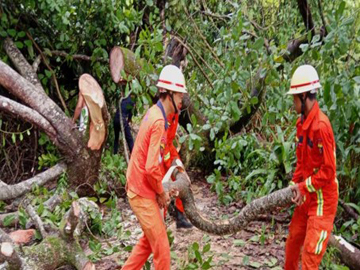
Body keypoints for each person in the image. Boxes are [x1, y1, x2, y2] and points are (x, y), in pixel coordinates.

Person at [122, 65, 187, 270]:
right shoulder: (158, 121)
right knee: (162, 247)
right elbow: (151, 167)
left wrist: (166, 184)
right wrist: (161, 192)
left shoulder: (156, 114)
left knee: (148, 243)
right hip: (141, 191)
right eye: (179, 96)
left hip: (141, 186)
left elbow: (157, 160)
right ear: (169, 94)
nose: (181, 100)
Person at [285, 65, 338, 270]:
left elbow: (328, 171)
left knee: (309, 257)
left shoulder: (322, 127)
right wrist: (294, 185)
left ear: (304, 96)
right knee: (292, 245)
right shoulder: (302, 124)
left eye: (295, 97)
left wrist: (303, 187)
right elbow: (301, 163)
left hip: (323, 203)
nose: (293, 102)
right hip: (306, 197)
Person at [163, 112, 193, 229]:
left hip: (170, 148)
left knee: (182, 178)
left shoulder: (175, 111)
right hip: (162, 151)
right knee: (162, 186)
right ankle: (161, 221)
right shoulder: (164, 114)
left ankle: (180, 215)